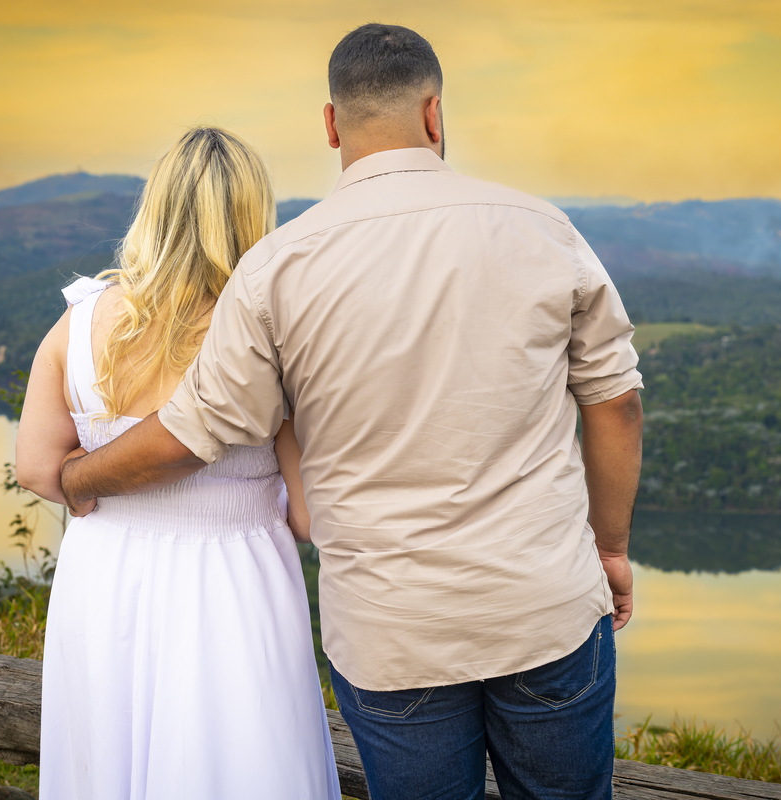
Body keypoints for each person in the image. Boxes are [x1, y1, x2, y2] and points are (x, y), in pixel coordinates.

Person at [60, 23, 644, 800]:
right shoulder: (542, 228)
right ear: (434, 113)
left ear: (331, 124)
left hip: (388, 631)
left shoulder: (277, 268)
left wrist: (77, 476)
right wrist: (609, 548)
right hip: (542, 608)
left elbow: (192, 433)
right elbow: (616, 406)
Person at [15, 127, 339, 799]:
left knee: (107, 758)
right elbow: (311, 516)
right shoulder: (269, 336)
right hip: (235, 582)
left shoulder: (77, 326)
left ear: (154, 209)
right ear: (256, 215)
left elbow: (36, 470)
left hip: (103, 576)